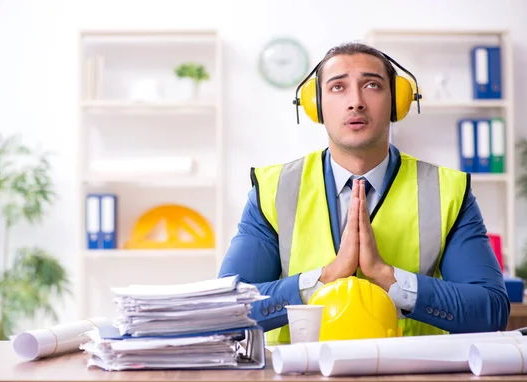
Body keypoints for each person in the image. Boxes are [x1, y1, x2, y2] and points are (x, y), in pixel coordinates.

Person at [218, 42, 510, 345]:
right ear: (315, 104)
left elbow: (490, 310)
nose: (356, 102)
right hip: (301, 381)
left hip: (412, 381)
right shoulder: (273, 189)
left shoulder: (448, 190)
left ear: (398, 101)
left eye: (372, 85)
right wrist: (324, 277)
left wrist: (388, 276)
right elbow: (224, 310)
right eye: (337, 87)